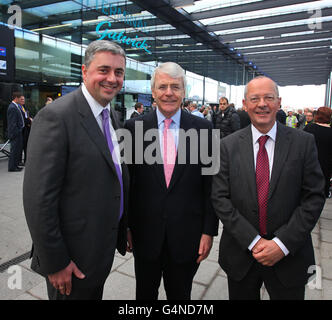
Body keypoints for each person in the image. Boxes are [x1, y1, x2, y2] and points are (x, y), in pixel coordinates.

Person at [23, 40, 130, 300]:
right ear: (84, 71)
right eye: (103, 70)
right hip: (70, 261)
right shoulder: (56, 117)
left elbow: (114, 177)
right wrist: (55, 262)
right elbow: (38, 200)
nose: (112, 78)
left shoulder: (113, 116)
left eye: (118, 72)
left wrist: (124, 224)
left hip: (99, 252)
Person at [211, 76, 326, 300]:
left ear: (279, 102)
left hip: (289, 257)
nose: (262, 103)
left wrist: (281, 244)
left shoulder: (304, 142)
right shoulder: (227, 146)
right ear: (245, 104)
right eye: (255, 98)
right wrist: (254, 242)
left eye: (269, 98)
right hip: (241, 256)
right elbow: (219, 198)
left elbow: (314, 196)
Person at [125, 62, 218, 300]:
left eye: (175, 87)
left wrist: (209, 231)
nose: (169, 92)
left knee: (181, 296)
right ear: (153, 91)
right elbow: (128, 184)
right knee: (144, 295)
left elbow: (211, 186)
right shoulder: (133, 128)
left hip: (187, 237)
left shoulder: (204, 129)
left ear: (184, 91)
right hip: (145, 235)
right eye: (163, 86)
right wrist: (125, 226)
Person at [304, 107, 332, 198]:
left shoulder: (309, 128)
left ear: (317, 115)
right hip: (325, 168)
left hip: (309, 165)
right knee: (320, 196)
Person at [7, 92, 25, 172]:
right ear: (16, 98)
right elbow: (12, 123)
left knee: (17, 150)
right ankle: (12, 167)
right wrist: (17, 131)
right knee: (14, 150)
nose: (21, 100)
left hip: (18, 132)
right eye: (20, 98)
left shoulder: (16, 106)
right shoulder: (12, 107)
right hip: (15, 133)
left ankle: (16, 165)